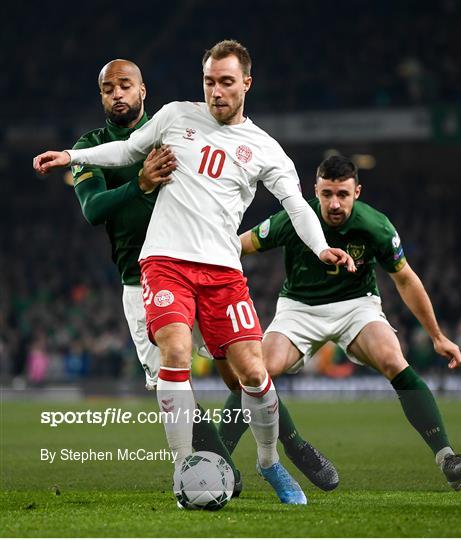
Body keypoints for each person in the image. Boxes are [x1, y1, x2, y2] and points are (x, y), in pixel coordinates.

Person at [33, 41, 355, 505]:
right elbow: (126, 149)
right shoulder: (176, 115)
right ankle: (186, 469)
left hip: (223, 270)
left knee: (251, 373)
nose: (216, 92)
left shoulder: (265, 148)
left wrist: (323, 248)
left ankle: (270, 462)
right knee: (176, 354)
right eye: (209, 81)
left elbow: (296, 206)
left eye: (226, 82)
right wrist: (72, 155)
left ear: (246, 82)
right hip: (164, 261)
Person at [218, 154, 461, 491]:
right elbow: (241, 245)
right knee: (255, 371)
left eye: (342, 194)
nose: (334, 203)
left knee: (392, 359)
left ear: (357, 191)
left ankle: (448, 458)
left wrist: (438, 336)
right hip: (299, 308)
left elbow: (405, 280)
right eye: (327, 194)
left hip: (356, 306)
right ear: (315, 190)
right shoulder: (296, 217)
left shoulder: (375, 226)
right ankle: (219, 459)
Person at [60, 58, 243, 495]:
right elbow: (92, 210)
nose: (117, 94)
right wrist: (139, 185)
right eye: (109, 88)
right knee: (172, 377)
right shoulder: (92, 146)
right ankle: (213, 470)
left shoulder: (173, 130)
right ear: (102, 96)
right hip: (139, 282)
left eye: (126, 85)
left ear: (144, 90)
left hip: (199, 268)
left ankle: (285, 452)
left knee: (244, 370)